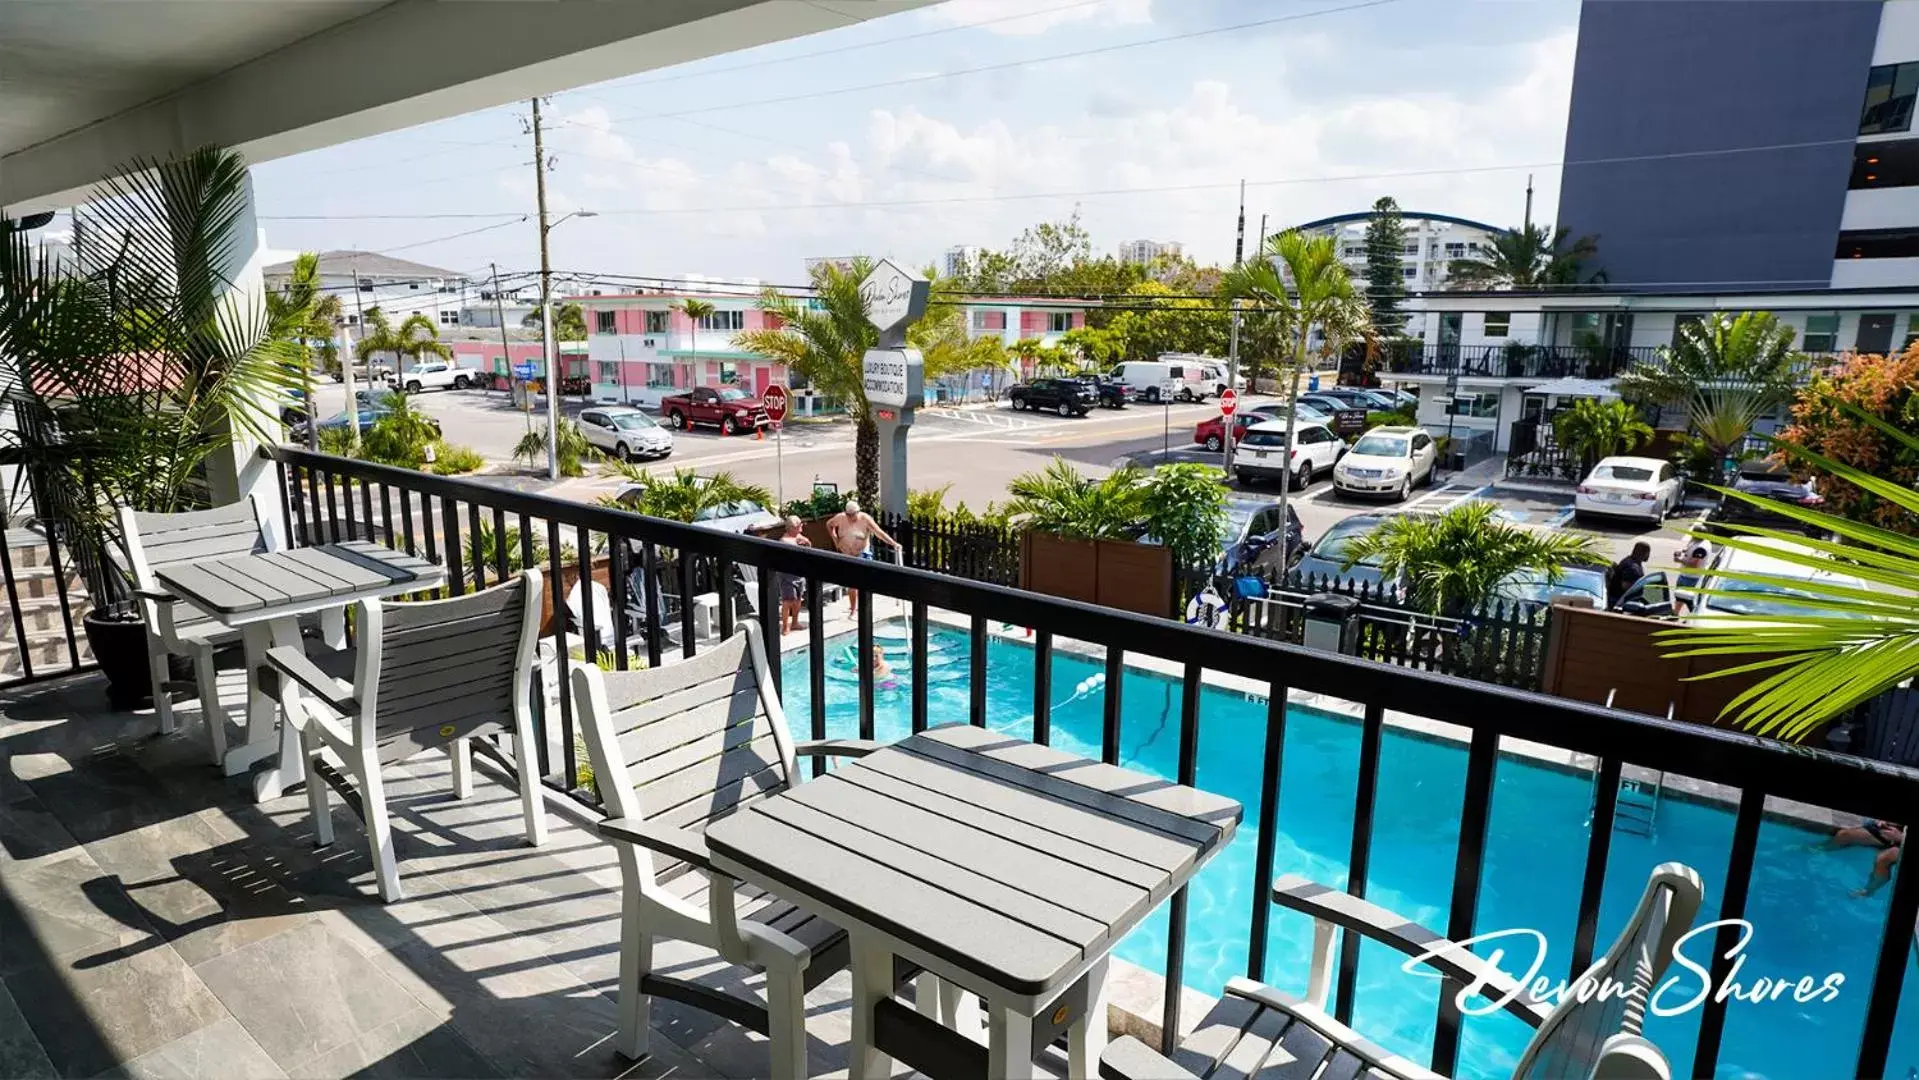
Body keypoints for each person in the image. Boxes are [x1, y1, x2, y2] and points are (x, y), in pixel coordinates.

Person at [826, 498, 901, 616]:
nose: (851, 518)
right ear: (846, 513)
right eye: (849, 515)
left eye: (853, 515)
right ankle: (853, 609)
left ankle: (864, 608)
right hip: (847, 554)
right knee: (852, 584)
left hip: (862, 553)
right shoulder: (840, 518)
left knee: (864, 583)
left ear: (858, 512)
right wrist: (835, 540)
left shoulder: (865, 519)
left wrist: (893, 543)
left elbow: (879, 533)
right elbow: (829, 525)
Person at [776, 515, 810, 635]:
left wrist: (807, 543)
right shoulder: (785, 541)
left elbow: (808, 549)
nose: (801, 527)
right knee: (788, 600)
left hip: (799, 574)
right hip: (788, 575)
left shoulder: (799, 537)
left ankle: (795, 622)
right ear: (791, 528)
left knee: (798, 598)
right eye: (799, 526)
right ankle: (785, 626)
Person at [1607, 541, 1652, 609]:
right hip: (1619, 602)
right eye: (1648, 553)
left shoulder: (1629, 561)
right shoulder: (1632, 568)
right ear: (1645, 553)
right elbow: (1627, 588)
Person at [1672, 540, 1711, 614]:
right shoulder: (1699, 541)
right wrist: (1681, 550)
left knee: (1683, 597)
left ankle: (1677, 613)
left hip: (1689, 577)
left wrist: (1679, 560)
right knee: (1681, 597)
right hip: (1687, 575)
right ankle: (1676, 612)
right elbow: (1689, 548)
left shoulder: (1701, 548)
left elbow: (1694, 565)